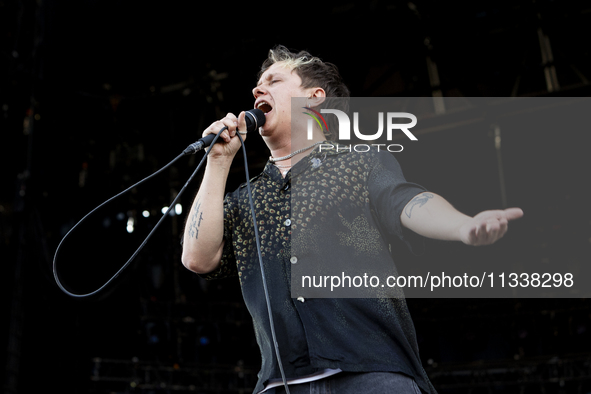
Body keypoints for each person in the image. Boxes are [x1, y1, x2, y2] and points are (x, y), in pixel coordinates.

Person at [181, 45, 523, 394]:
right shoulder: (247, 198)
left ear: (313, 99)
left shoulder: (359, 164)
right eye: (257, 83)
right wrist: (218, 161)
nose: (257, 89)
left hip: (373, 373)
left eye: (274, 80)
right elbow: (197, 257)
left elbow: (407, 201)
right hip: (280, 382)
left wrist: (462, 226)